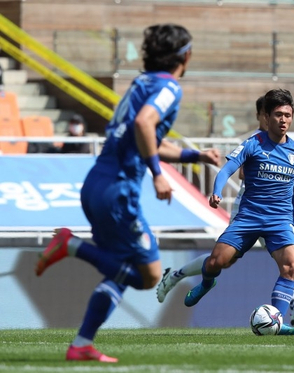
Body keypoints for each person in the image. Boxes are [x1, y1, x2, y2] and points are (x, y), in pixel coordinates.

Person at [34, 24, 221, 363]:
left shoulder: (141, 84)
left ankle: (81, 344)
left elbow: (144, 134)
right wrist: (158, 174)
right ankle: (71, 244)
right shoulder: (168, 87)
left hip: (96, 184)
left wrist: (196, 156)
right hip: (118, 191)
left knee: (121, 271)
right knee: (149, 275)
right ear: (186, 55)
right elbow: (144, 125)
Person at [156, 95, 294, 328]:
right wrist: (216, 192)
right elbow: (227, 170)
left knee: (290, 264)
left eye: (287, 115)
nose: (283, 120)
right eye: (278, 115)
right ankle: (202, 281)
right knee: (219, 261)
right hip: (249, 215)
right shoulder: (253, 143)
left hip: (279, 219)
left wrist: (293, 224)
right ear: (266, 117)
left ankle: (280, 319)